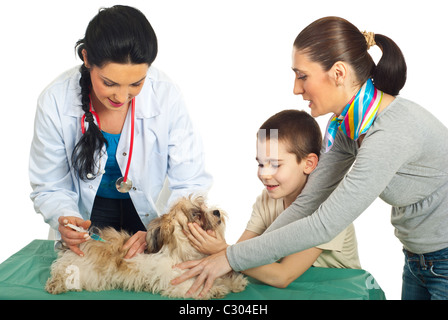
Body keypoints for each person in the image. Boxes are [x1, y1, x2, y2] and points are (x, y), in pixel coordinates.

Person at [172, 16, 448, 300]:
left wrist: (230, 257)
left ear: (338, 73)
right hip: (418, 258)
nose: (295, 88)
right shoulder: (348, 128)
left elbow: (323, 224)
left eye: (302, 76)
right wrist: (235, 255)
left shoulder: (389, 133)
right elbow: (307, 202)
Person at [29, 5, 212, 259]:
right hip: (86, 218)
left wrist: (160, 231)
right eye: (109, 83)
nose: (122, 96)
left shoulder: (166, 95)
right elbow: (49, 185)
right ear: (87, 58)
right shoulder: (55, 101)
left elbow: (191, 181)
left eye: (136, 83)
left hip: (148, 216)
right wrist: (66, 218)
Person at [185, 110, 360, 288]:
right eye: (260, 164)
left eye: (275, 164)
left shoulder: (330, 207)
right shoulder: (267, 200)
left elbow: (282, 276)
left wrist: (221, 250)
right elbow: (243, 254)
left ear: (308, 164)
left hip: (338, 291)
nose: (264, 174)